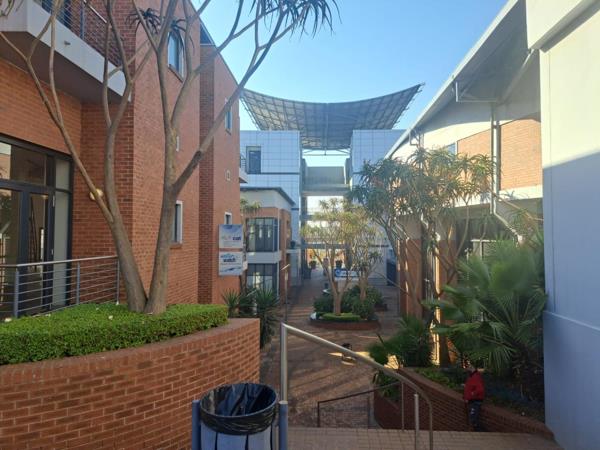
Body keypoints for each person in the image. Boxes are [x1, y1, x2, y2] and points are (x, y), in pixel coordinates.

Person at [463, 364, 485, 431]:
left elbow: (480, 389)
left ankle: (481, 431)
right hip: (472, 400)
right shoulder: (472, 376)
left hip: (475, 401)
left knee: (473, 417)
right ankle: (478, 431)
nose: (467, 369)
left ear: (472, 368)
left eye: (469, 367)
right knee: (473, 417)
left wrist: (472, 394)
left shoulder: (476, 377)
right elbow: (471, 386)